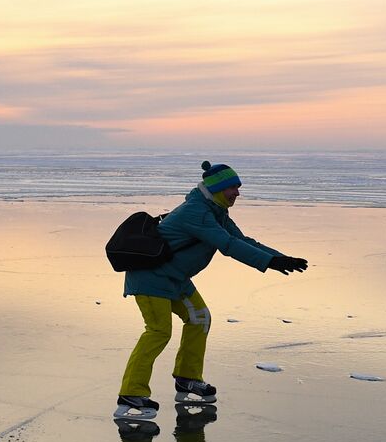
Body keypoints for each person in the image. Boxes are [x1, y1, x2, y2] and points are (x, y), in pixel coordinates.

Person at [114, 161, 308, 421]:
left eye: (238, 188)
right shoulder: (196, 212)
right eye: (233, 188)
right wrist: (270, 263)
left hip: (175, 279)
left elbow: (243, 240)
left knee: (199, 318)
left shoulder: (215, 211)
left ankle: (188, 379)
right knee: (158, 331)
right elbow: (227, 245)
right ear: (217, 188)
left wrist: (281, 257)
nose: (237, 193)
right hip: (151, 279)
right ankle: (131, 393)